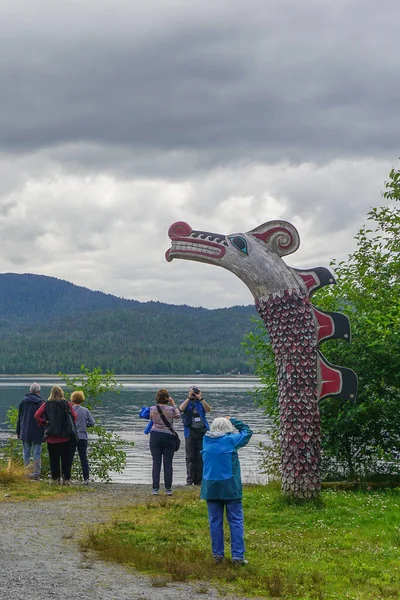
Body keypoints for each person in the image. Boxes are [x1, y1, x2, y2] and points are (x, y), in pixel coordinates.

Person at [200, 416, 253, 566]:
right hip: (230, 486)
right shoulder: (231, 440)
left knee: (215, 522)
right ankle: (237, 557)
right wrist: (235, 420)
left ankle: (217, 555)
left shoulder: (206, 440)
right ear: (228, 428)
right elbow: (247, 432)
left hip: (210, 486)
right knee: (235, 520)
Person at [139, 388, 180, 495]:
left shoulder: (152, 409)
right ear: (167, 398)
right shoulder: (171, 409)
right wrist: (173, 403)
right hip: (168, 436)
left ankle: (155, 489)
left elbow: (146, 416)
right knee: (168, 463)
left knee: (156, 463)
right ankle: (168, 489)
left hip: (155, 436)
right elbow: (178, 415)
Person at [34, 385, 77, 485]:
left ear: (51, 393)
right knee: (66, 459)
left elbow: (36, 415)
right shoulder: (67, 404)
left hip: (52, 437)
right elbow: (74, 416)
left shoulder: (46, 404)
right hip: (65, 437)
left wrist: (44, 422)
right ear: (61, 393)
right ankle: (66, 479)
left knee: (54, 459)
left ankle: (55, 479)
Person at [179, 385, 211, 485]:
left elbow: (208, 409)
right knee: (190, 457)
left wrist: (200, 398)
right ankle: (190, 479)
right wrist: (189, 397)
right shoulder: (187, 403)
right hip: (190, 432)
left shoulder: (200, 402)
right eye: (192, 392)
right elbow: (181, 408)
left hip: (202, 431)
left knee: (200, 456)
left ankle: (199, 480)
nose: (194, 394)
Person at [16, 382, 45, 480]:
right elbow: (43, 418)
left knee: (26, 453)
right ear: (38, 391)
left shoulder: (23, 402)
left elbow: (19, 418)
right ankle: (36, 474)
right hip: (37, 431)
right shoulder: (41, 402)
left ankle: (26, 473)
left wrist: (18, 430)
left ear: (30, 391)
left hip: (25, 430)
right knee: (37, 453)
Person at [70, 391, 95, 484]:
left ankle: (67, 477)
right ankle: (86, 479)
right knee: (83, 458)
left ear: (72, 399)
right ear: (82, 399)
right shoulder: (85, 410)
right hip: (82, 437)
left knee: (70, 458)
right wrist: (85, 425)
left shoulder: (70, 410)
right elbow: (92, 423)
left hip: (72, 437)